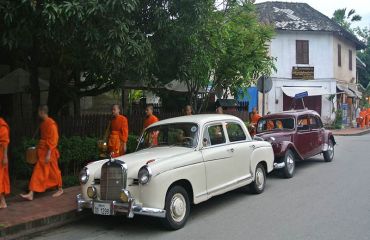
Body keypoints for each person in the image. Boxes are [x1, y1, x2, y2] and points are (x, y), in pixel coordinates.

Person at [21, 105, 63, 201]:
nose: (38, 114)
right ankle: (31, 192)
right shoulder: (44, 123)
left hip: (49, 152)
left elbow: (54, 140)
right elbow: (43, 139)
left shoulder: (51, 124)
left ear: (41, 112)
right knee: (43, 171)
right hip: (43, 151)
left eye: (38, 112)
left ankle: (60, 189)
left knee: (53, 171)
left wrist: (48, 153)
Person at [0, 115, 10, 209]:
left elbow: (4, 142)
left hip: (1, 155)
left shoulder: (2, 126)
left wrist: (5, 157)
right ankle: (2, 202)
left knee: (1, 178)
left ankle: (3, 202)